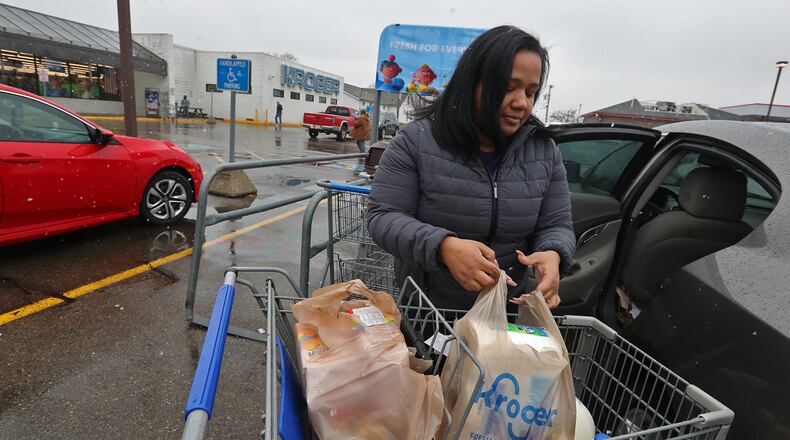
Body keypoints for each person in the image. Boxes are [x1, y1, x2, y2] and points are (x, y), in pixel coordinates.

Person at [368, 26, 575, 311]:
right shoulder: (416, 141)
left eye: (531, 92)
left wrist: (553, 253)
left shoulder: (544, 152)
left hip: (505, 316)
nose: (521, 103)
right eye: (508, 87)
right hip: (430, 314)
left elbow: (556, 224)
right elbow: (384, 217)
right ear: (472, 82)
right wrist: (443, 247)